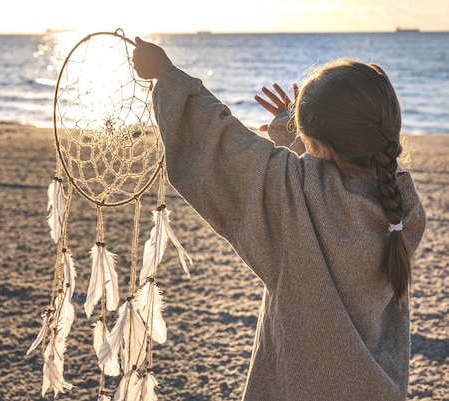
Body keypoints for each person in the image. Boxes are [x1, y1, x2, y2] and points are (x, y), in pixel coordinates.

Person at [132, 37, 426, 401]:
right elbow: (338, 183)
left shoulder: (291, 196)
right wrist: (301, 139)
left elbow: (222, 143)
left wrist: (165, 74)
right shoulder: (405, 210)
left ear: (317, 145)